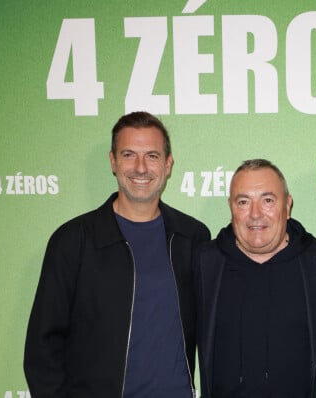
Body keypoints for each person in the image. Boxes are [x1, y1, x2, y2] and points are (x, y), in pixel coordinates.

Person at [24, 111, 211, 397]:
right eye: (128, 155)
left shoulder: (192, 237)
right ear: (113, 162)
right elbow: (42, 347)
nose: (140, 167)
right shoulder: (73, 240)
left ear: (168, 164)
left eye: (152, 155)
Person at [194, 159, 316, 398]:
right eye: (243, 202)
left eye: (268, 200)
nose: (255, 214)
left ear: (287, 206)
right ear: (231, 207)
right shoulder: (204, 263)